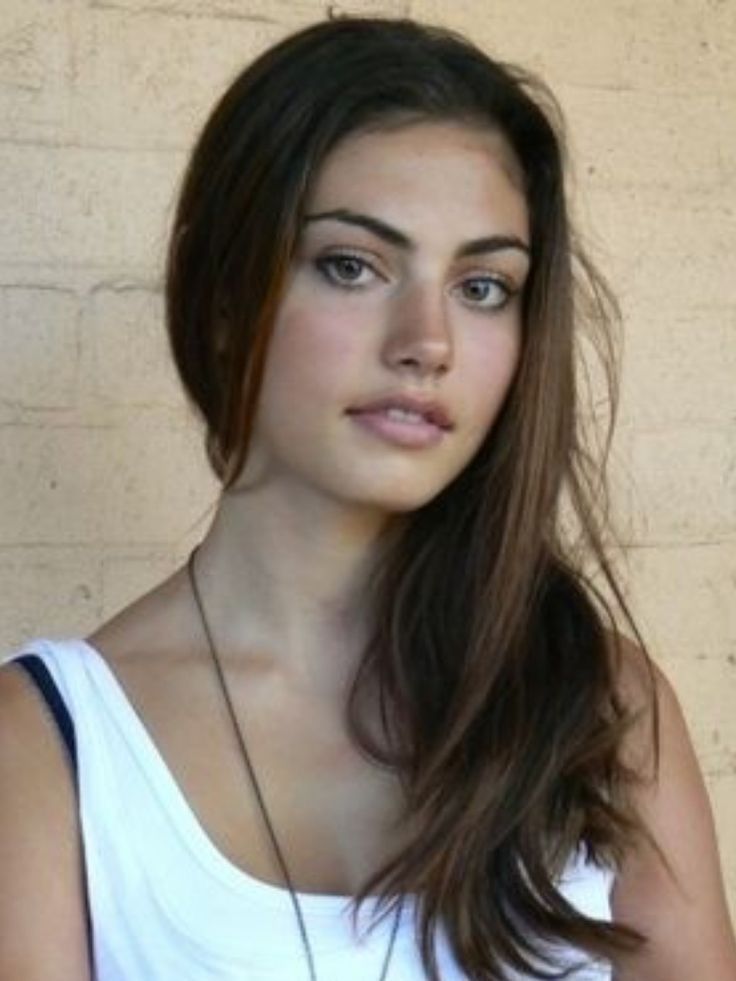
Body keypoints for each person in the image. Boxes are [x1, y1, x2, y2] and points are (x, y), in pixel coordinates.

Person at [0, 14, 734, 981]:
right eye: (352, 265)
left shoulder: (601, 706)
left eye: (482, 286)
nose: (426, 340)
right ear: (224, 302)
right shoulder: (47, 749)